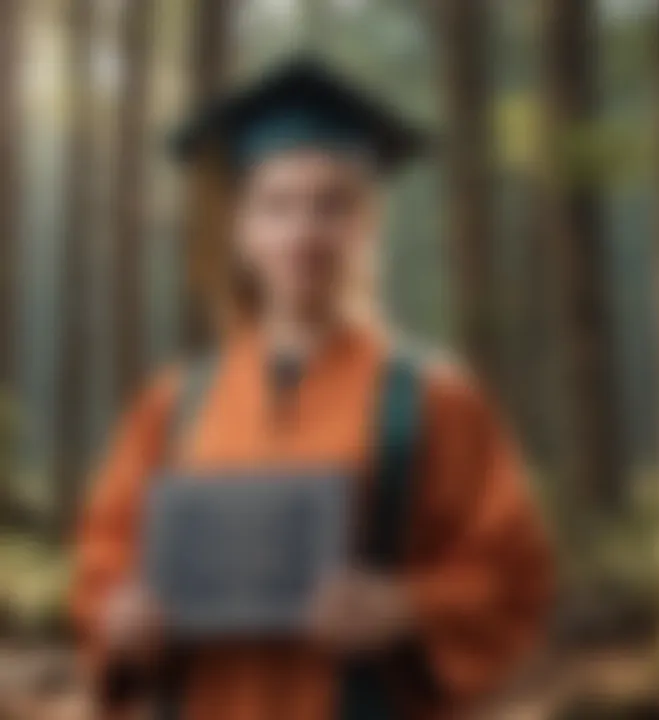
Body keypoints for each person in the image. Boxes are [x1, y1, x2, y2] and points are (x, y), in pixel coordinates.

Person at [71, 57, 553, 720]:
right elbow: (105, 560)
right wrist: (120, 619)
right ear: (242, 230)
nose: (303, 233)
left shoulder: (434, 397)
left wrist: (408, 607)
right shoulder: (173, 403)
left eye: (332, 205)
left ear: (368, 225)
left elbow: (512, 572)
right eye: (277, 205)